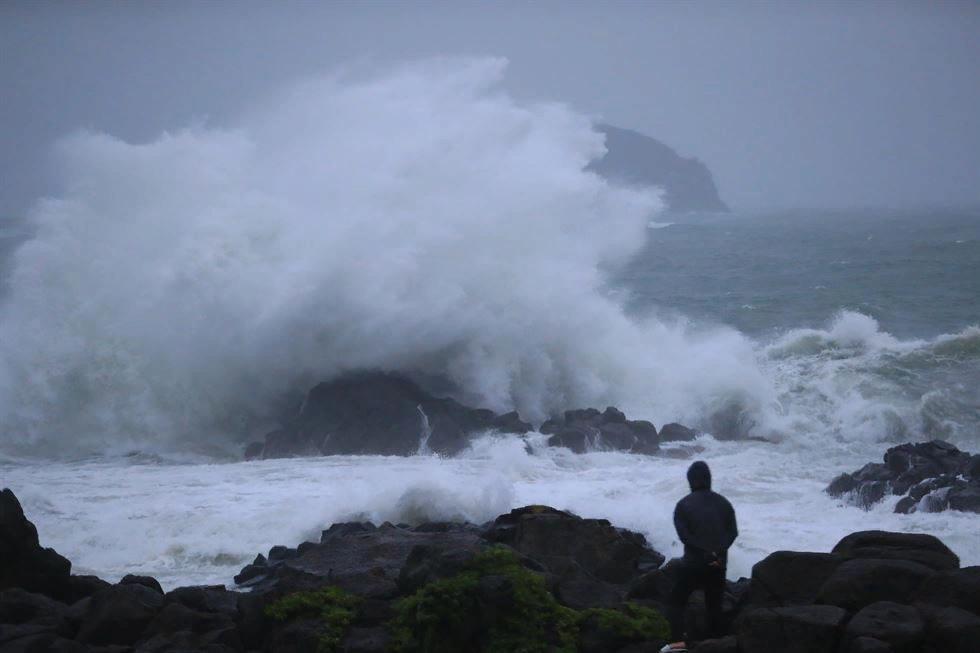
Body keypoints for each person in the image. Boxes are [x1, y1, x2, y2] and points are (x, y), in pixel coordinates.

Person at [660, 460, 738, 653]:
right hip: (718, 564)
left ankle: (678, 642)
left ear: (690, 481)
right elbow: (733, 533)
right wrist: (717, 552)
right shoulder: (724, 503)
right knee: (714, 606)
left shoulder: (683, 505)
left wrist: (704, 552)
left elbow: (685, 537)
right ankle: (714, 644)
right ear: (709, 480)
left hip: (694, 564)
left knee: (677, 601)